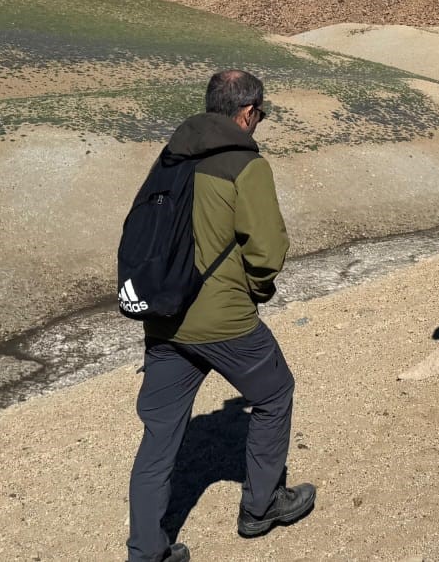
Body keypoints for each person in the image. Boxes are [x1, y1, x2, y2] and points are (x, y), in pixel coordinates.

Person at [126, 70, 314, 562]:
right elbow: (267, 250)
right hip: (224, 319)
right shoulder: (245, 165)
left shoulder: (171, 156)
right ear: (247, 113)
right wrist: (255, 291)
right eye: (261, 114)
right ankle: (261, 506)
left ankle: (146, 551)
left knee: (159, 435)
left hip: (164, 317)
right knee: (275, 392)